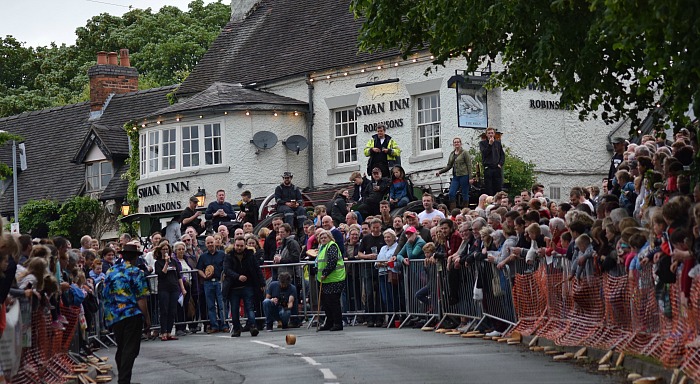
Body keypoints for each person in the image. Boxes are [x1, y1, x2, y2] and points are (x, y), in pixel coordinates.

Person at [102, 244, 151, 384]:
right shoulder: (136, 272)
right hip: (131, 314)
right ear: (136, 257)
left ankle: (124, 378)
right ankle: (124, 380)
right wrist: (147, 318)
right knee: (131, 348)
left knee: (122, 347)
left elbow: (105, 294)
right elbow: (141, 298)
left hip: (115, 315)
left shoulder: (110, 271)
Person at [223, 236, 265, 337]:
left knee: (249, 308)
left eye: (241, 246)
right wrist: (238, 277)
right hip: (233, 287)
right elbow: (227, 270)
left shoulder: (250, 255)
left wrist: (262, 283)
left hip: (248, 286)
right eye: (237, 245)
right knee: (234, 309)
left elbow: (257, 269)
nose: (239, 248)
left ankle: (253, 326)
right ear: (234, 245)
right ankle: (236, 329)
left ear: (245, 245)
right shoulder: (229, 256)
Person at [154, 242, 186, 340]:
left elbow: (178, 276)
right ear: (160, 251)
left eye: (167, 249)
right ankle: (163, 332)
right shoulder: (158, 262)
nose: (165, 251)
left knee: (172, 310)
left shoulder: (174, 261)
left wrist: (182, 288)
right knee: (164, 310)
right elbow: (162, 274)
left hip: (174, 288)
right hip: (164, 288)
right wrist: (166, 263)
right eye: (163, 249)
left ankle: (169, 331)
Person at [315, 229, 346, 331]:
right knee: (327, 303)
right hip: (325, 280)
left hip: (334, 278)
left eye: (325, 237)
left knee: (333, 302)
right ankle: (329, 322)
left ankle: (338, 323)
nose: (323, 239)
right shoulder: (322, 248)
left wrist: (325, 273)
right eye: (321, 238)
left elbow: (332, 261)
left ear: (330, 238)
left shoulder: (332, 246)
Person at [197, 236, 227, 334]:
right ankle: (214, 325)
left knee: (221, 305)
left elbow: (226, 267)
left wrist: (224, 276)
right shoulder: (203, 256)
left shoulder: (222, 254)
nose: (210, 244)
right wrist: (204, 276)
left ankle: (224, 324)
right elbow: (199, 269)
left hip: (219, 282)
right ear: (206, 244)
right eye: (208, 243)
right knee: (210, 306)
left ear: (215, 242)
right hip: (208, 283)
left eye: (211, 242)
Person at [437, 137, 473, 210]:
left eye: (458, 142)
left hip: (464, 175)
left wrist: (470, 178)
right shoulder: (452, 154)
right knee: (451, 193)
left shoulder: (464, 153)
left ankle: (465, 210)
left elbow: (469, 165)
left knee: (464, 193)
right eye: (455, 142)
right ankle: (453, 210)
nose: (456, 143)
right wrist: (440, 172)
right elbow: (449, 166)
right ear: (453, 144)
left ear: (460, 143)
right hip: (456, 177)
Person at [479, 127, 505, 195]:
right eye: (489, 133)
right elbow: (484, 153)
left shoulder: (498, 143)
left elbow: (502, 155)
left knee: (498, 188)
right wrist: (490, 144)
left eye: (492, 133)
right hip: (488, 168)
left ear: (494, 134)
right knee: (489, 188)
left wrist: (500, 164)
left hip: (497, 168)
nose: (490, 134)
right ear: (486, 134)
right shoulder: (482, 143)